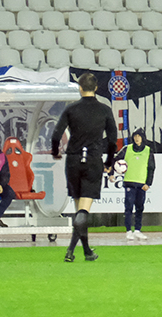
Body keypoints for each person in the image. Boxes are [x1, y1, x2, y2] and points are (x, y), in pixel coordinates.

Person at [50, 72, 120, 262]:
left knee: (79, 209)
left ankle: (84, 251)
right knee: (83, 211)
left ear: (80, 88)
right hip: (92, 161)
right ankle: (73, 251)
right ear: (96, 88)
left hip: (73, 161)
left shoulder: (71, 109)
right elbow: (113, 140)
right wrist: (109, 162)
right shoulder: (105, 110)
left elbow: (56, 134)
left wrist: (55, 151)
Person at [120, 128, 155, 239]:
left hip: (141, 184)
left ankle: (138, 230)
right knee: (129, 207)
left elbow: (151, 168)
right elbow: (116, 159)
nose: (137, 138)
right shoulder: (127, 149)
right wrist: (112, 171)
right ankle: (128, 230)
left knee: (140, 207)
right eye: (135, 136)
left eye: (139, 136)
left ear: (143, 138)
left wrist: (148, 183)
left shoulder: (148, 150)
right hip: (129, 182)